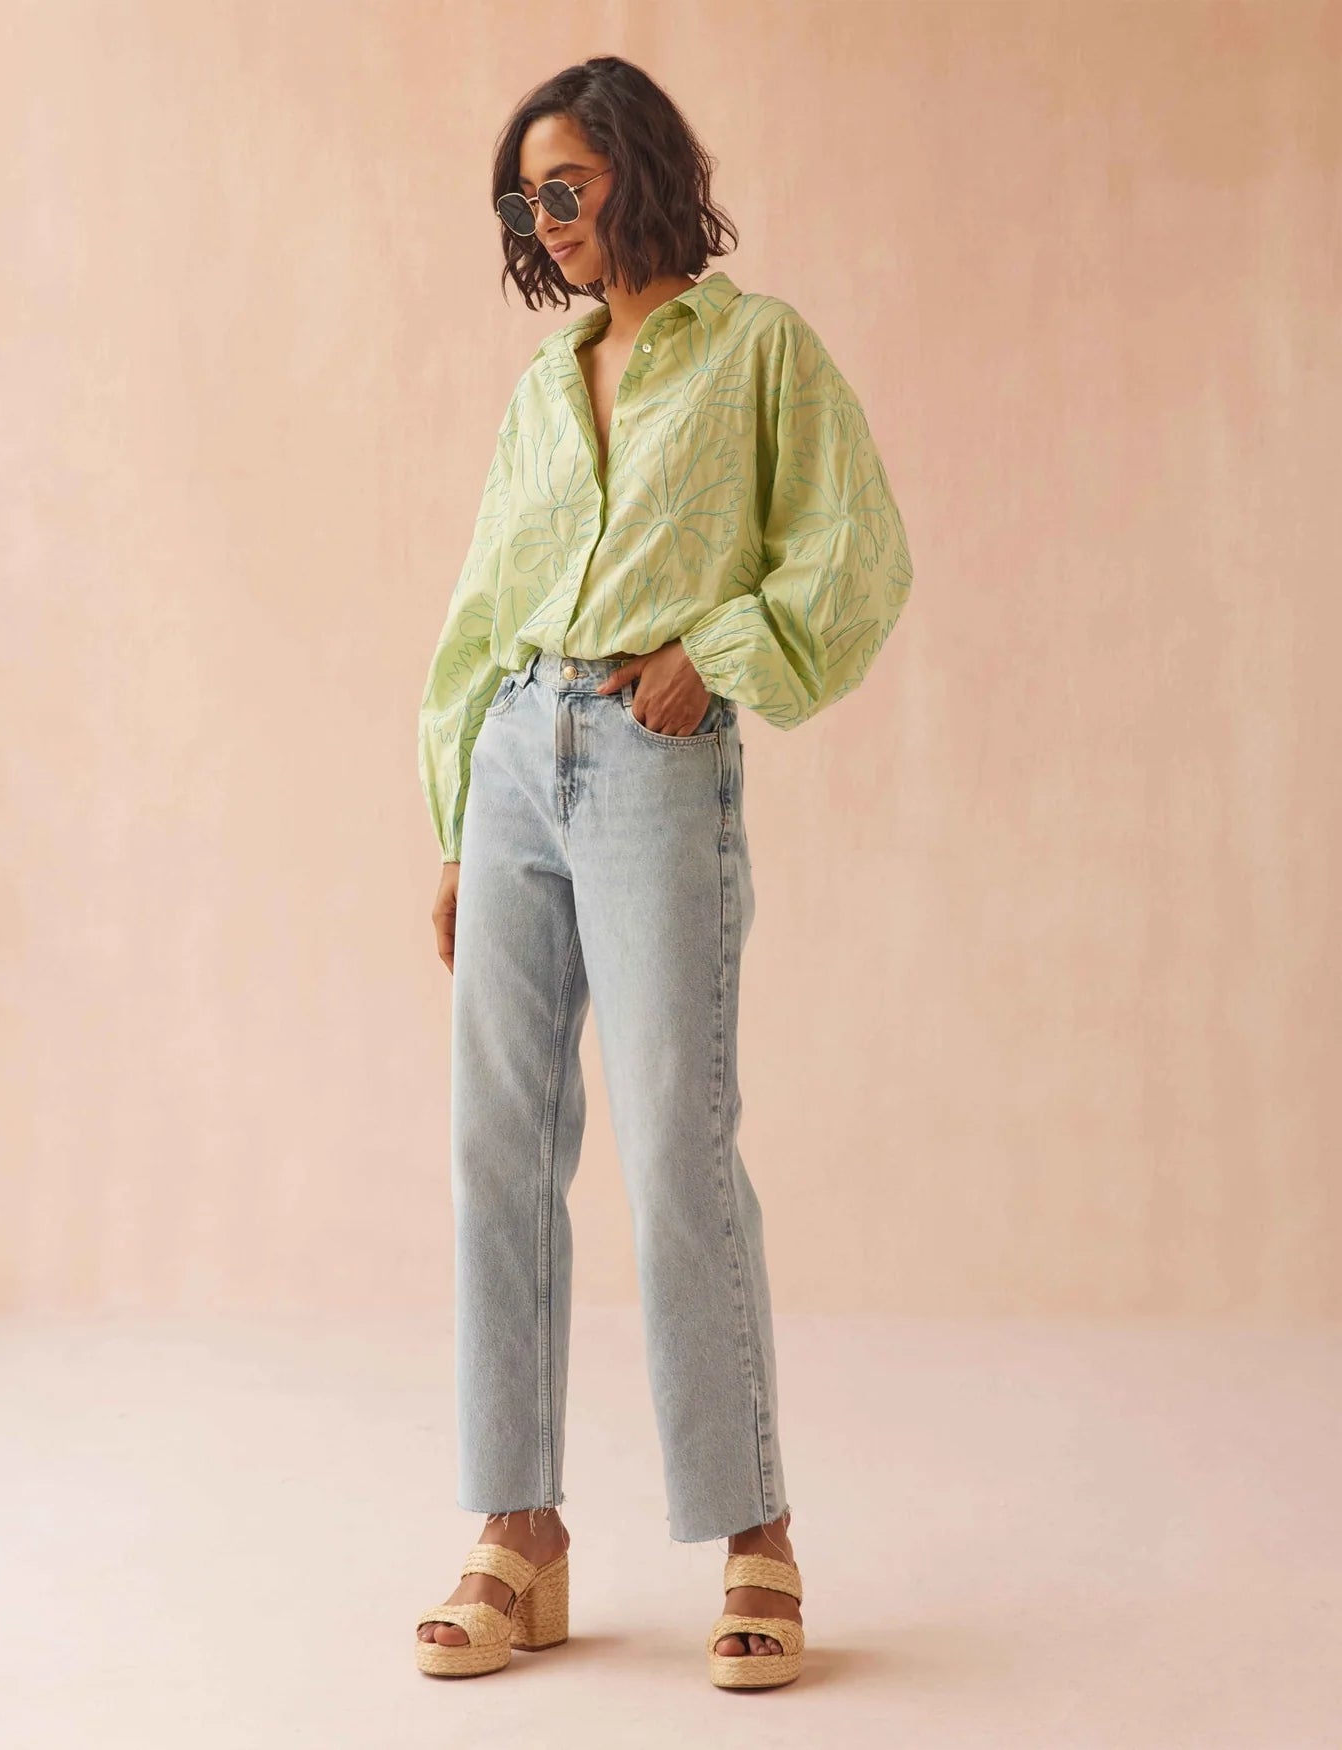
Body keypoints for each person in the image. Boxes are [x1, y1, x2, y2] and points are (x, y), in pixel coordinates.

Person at [414, 55, 912, 1689]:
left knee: (674, 1150)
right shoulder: (544, 383)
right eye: (525, 199)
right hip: (515, 757)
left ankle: (756, 1531)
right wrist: (453, 819)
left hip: (651, 759)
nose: (545, 218)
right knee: (497, 1149)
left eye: (564, 184)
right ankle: (519, 1528)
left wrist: (721, 650)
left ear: (636, 168)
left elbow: (855, 553)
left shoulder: (760, 351)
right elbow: (481, 609)